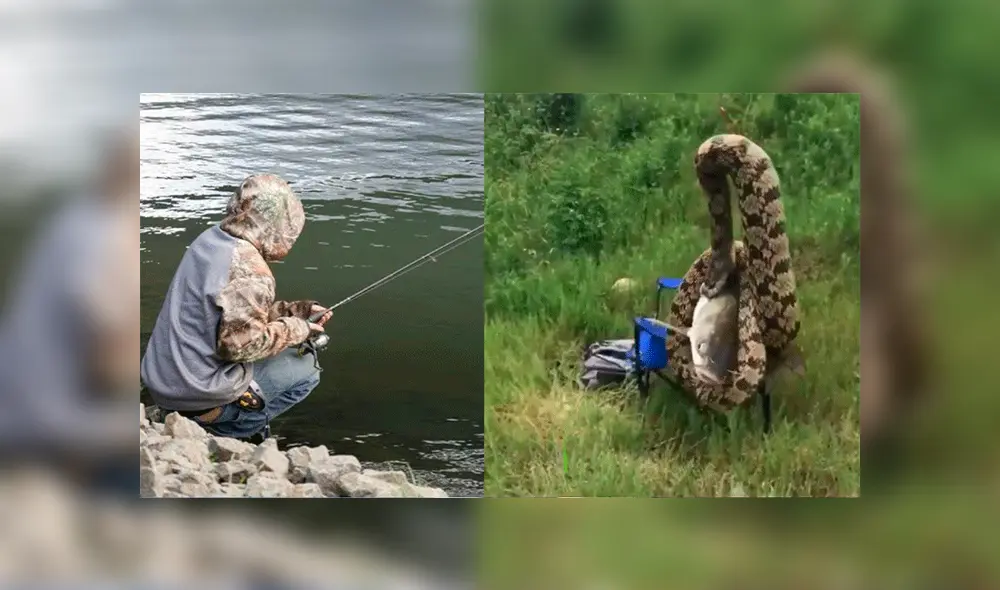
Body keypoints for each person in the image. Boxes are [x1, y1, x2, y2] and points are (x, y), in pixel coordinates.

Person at [140, 173, 332, 440]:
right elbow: (239, 347)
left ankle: (190, 415)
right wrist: (296, 329)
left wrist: (295, 310)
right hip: (195, 394)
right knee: (306, 370)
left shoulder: (210, 240)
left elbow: (222, 314)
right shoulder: (252, 270)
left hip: (162, 382)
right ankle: (231, 429)